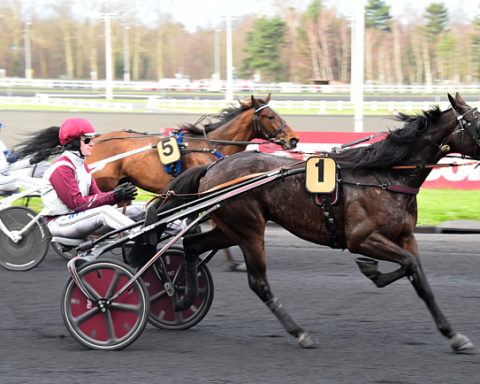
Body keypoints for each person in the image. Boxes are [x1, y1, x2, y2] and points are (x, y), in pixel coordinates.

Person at [41, 117, 143, 240]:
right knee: (104, 212)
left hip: (81, 219)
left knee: (136, 210)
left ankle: (170, 230)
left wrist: (119, 196)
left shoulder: (82, 165)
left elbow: (98, 196)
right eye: (87, 140)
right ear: (74, 142)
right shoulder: (61, 168)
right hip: (61, 222)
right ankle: (141, 235)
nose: (92, 143)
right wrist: (114, 196)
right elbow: (77, 204)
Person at [0, 122, 47, 194]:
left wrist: (31, 161)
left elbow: (10, 166)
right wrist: (8, 161)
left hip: (6, 176)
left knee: (41, 166)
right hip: (3, 179)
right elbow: (5, 166)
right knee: (18, 180)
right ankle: (48, 190)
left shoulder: (0, 143)